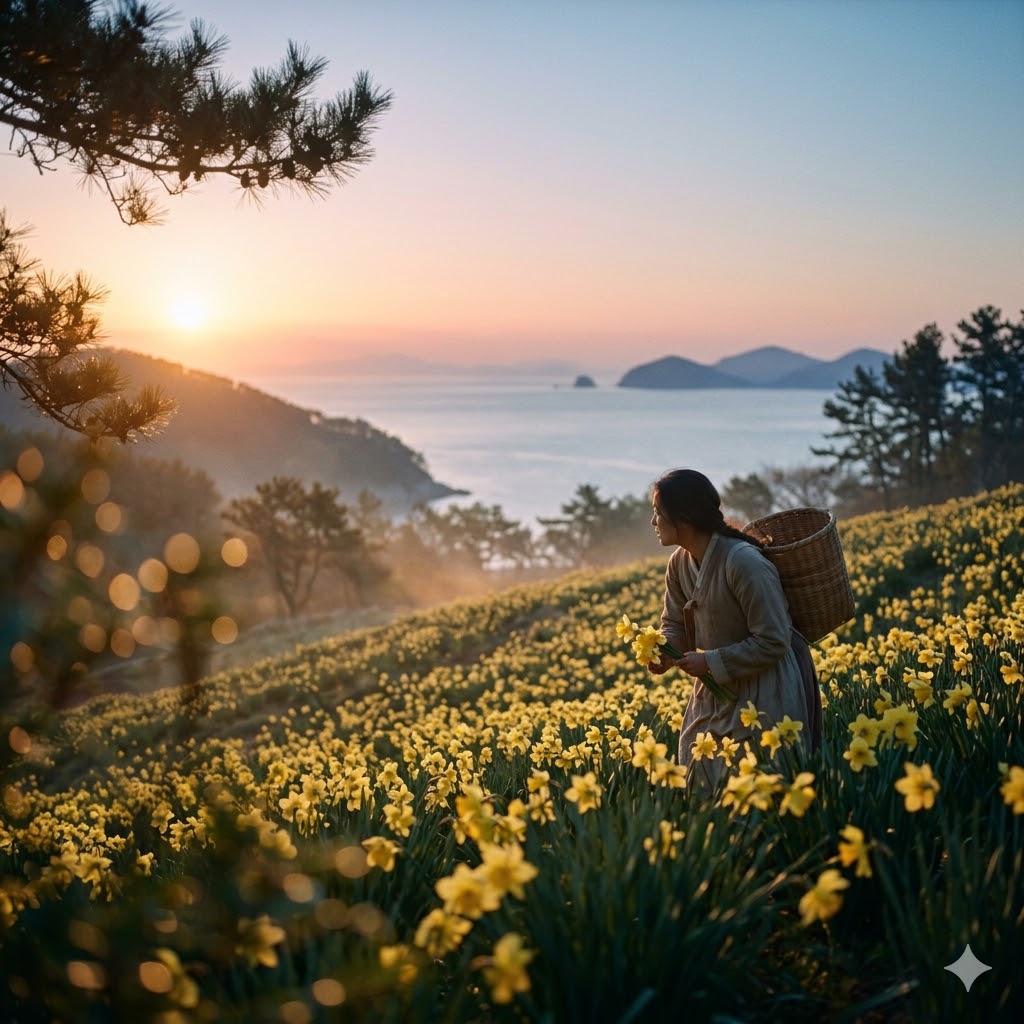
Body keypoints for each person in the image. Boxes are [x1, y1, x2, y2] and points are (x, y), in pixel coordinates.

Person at [647, 469, 822, 789]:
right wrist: (666, 649)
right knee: (699, 772)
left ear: (684, 517)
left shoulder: (743, 563)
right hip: (716, 687)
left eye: (659, 513)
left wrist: (710, 662)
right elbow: (673, 622)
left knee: (759, 783)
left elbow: (773, 640)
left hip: (765, 686)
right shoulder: (678, 563)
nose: (653, 522)